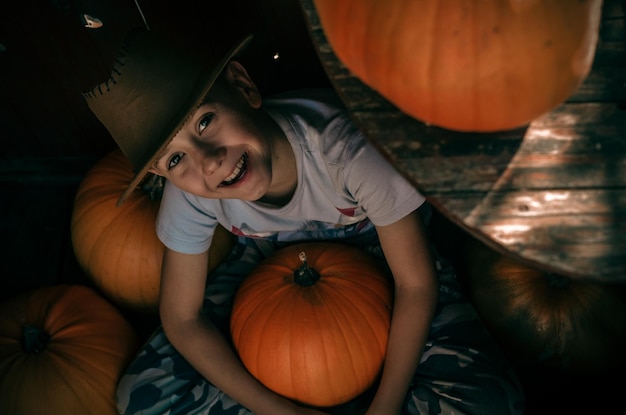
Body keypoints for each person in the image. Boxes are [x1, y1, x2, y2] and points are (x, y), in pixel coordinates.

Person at [84, 28, 524, 415]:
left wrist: (386, 407)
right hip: (265, 256)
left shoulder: (350, 153)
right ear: (162, 175)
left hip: (379, 245)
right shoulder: (190, 190)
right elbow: (182, 319)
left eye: (205, 121)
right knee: (139, 398)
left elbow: (415, 284)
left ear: (243, 87)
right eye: (176, 158)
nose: (210, 163)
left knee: (491, 403)